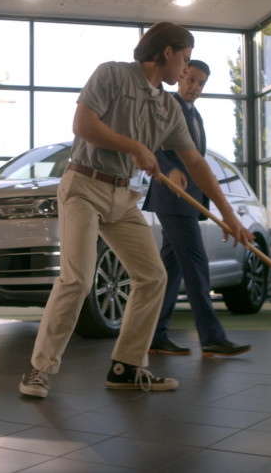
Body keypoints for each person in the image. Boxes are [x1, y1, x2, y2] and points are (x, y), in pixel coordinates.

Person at [19, 23, 254, 399]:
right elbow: (82, 125)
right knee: (77, 279)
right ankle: (39, 369)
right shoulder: (111, 73)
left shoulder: (168, 107)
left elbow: (196, 163)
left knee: (153, 276)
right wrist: (135, 148)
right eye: (185, 59)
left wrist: (228, 214)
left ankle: (126, 367)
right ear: (166, 52)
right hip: (83, 187)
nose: (185, 69)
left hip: (122, 197)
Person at [143, 60, 252, 358]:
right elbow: (152, 144)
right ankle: (212, 338)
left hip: (189, 200)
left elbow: (197, 160)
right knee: (196, 265)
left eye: (201, 83)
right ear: (180, 77)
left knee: (173, 269)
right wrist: (169, 169)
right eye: (190, 79)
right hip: (171, 198)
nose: (195, 87)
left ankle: (154, 335)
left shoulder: (196, 116)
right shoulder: (168, 106)